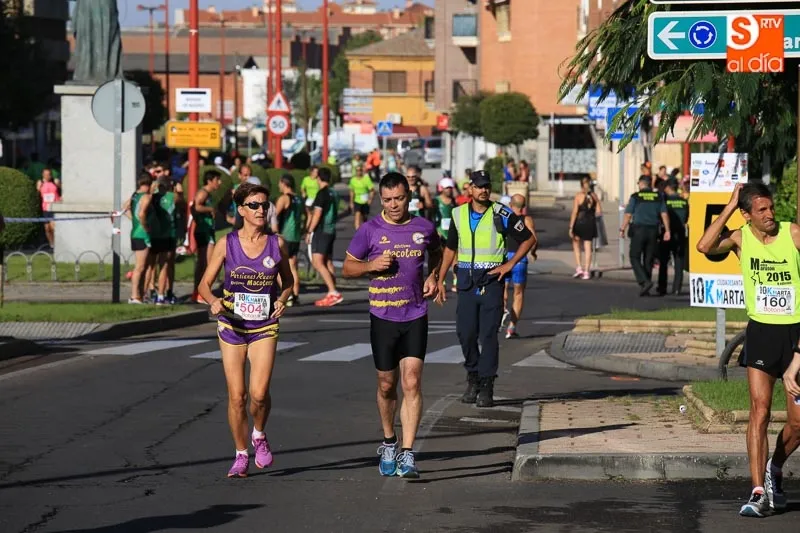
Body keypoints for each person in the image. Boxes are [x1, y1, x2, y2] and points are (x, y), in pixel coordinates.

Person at [697, 182, 800, 517]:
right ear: (747, 214)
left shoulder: (793, 234)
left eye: (771, 208)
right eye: (761, 210)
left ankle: (774, 468)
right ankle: (758, 491)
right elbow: (704, 245)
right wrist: (728, 208)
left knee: (799, 424)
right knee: (760, 411)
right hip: (761, 334)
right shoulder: (740, 237)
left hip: (795, 336)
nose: (770, 215)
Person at [342, 171, 442, 478]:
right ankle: (389, 441)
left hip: (415, 314)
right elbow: (347, 268)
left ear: (408, 196)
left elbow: (438, 252)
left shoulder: (424, 227)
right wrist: (370, 265)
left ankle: (409, 454)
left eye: (399, 198)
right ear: (380, 199)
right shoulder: (369, 230)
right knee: (386, 385)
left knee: (411, 382)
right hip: (383, 316)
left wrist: (434, 275)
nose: (394, 205)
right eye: (387, 200)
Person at [197, 182, 294, 478]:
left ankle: (259, 434)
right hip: (231, 324)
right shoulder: (227, 243)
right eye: (254, 205)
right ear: (241, 210)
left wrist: (281, 299)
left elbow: (288, 282)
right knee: (237, 396)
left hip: (264, 324)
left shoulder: (276, 243)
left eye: (265, 205)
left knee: (259, 394)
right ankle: (241, 454)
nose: (261, 210)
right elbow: (203, 284)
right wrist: (213, 301)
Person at [434, 170, 536, 408]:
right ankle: (473, 375)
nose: (483, 190)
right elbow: (450, 248)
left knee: (488, 335)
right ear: (470, 189)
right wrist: (440, 278)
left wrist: (510, 264)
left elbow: (528, 238)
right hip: (466, 282)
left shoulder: (501, 212)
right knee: (465, 333)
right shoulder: (458, 214)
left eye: (487, 186)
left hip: (491, 281)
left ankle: (487, 384)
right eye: (479, 186)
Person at [619, 175, 671, 296]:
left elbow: (628, 214)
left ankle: (644, 281)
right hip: (653, 231)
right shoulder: (658, 197)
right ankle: (646, 285)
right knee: (648, 259)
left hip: (639, 230)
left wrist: (622, 228)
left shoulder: (636, 196)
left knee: (634, 256)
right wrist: (667, 230)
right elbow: (664, 214)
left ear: (641, 184)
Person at [502, 194, 538, 339]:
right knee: (518, 293)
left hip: (504, 258)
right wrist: (533, 252)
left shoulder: (504, 219)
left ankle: (502, 310)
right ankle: (512, 327)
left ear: (511, 204)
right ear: (524, 207)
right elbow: (533, 239)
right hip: (520, 259)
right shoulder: (527, 220)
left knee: (502, 289)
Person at [306, 167, 343, 307]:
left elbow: (317, 214)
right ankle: (332, 291)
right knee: (328, 262)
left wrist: (310, 231)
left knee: (317, 262)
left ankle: (333, 291)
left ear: (319, 178)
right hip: (332, 230)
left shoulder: (322, 193)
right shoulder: (334, 192)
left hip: (322, 231)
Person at [122, 172, 156, 304]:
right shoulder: (146, 197)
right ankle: (135, 295)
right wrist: (145, 225)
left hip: (135, 233)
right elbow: (142, 214)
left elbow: (124, 208)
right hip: (142, 234)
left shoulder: (134, 196)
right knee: (140, 267)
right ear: (148, 184)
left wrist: (134, 221)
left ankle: (140, 295)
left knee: (144, 266)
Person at [192, 170, 224, 303]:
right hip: (203, 231)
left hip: (207, 230)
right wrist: (210, 210)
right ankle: (202, 293)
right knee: (207, 263)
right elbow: (196, 206)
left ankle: (199, 292)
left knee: (205, 263)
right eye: (217, 180)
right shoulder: (203, 192)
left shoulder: (208, 194)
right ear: (210, 180)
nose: (220, 182)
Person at [274, 174, 303, 306]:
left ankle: (288, 294)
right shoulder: (299, 198)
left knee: (278, 266)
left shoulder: (284, 198)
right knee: (292, 266)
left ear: (284, 183)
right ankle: (295, 295)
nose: (279, 186)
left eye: (280, 183)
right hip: (296, 236)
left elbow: (273, 216)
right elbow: (307, 214)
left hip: (285, 236)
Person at [657, 178, 688, 296]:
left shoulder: (664, 202)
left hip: (667, 234)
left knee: (664, 262)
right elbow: (686, 218)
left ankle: (662, 287)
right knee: (679, 263)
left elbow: (661, 216)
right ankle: (677, 288)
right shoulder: (684, 202)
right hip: (680, 234)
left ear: (668, 188)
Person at [568, 176, 601, 280]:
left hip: (579, 223)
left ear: (581, 185)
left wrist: (571, 227)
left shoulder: (578, 196)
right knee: (588, 247)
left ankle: (579, 268)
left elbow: (574, 212)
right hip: (590, 223)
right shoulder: (594, 196)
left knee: (576, 244)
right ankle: (586, 271)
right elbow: (599, 211)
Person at [434, 177, 456, 291]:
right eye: (447, 188)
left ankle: (455, 282)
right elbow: (432, 216)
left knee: (455, 257)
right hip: (440, 232)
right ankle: (440, 280)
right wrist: (435, 230)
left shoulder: (454, 201)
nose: (449, 190)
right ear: (441, 188)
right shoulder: (436, 201)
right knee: (441, 258)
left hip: (451, 232)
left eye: (451, 188)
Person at [37, 168, 61, 249]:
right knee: (47, 229)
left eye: (49, 174)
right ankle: (51, 244)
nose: (47, 176)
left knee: (53, 226)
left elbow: (62, 189)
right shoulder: (40, 182)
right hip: (45, 208)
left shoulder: (55, 182)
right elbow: (38, 192)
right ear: (43, 175)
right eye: (45, 174)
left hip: (54, 207)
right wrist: (38, 187)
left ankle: (57, 243)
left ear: (51, 175)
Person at [349, 163, 375, 230]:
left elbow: (372, 190)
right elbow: (352, 192)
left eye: (360, 170)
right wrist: (351, 202)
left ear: (362, 171)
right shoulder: (353, 180)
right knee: (357, 215)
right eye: (357, 170)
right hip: (357, 200)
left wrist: (370, 199)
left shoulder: (366, 179)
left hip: (365, 201)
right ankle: (358, 232)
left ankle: (365, 230)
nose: (358, 172)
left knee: (365, 218)